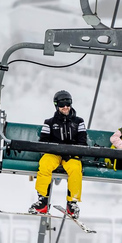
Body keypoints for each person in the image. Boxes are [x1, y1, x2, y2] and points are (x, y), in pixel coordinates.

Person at [29, 90, 88, 219]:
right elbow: (44, 142)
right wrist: (56, 150)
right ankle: (42, 200)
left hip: (71, 155)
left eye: (68, 103)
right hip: (54, 154)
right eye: (62, 104)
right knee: (45, 164)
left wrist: (71, 151)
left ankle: (72, 203)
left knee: (75, 169)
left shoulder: (79, 122)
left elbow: (82, 142)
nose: (66, 107)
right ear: (56, 106)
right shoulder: (49, 122)